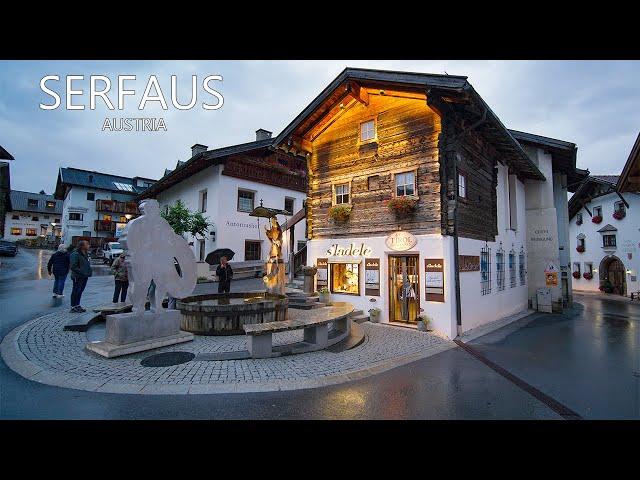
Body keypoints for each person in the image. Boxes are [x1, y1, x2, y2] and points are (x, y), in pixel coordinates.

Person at [69, 240, 93, 313]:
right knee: (76, 291)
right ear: (82, 246)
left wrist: (88, 272)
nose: (89, 246)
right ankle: (73, 306)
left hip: (84, 276)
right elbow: (73, 266)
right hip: (78, 276)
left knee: (80, 291)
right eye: (87, 244)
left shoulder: (85, 254)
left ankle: (77, 305)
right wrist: (83, 272)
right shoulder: (75, 254)